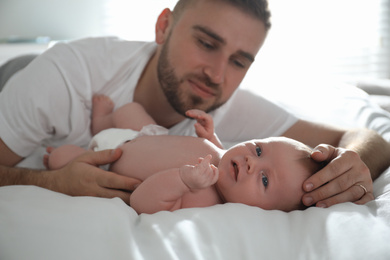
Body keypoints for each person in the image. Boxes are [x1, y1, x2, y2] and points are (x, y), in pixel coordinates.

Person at [1, 0, 389, 208]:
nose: (217, 75)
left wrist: (348, 166)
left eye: (239, 61)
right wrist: (52, 182)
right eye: (206, 43)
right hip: (19, 75)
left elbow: (370, 139)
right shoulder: (68, 74)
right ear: (163, 27)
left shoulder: (229, 108)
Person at [45, 95, 323, 213]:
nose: (252, 161)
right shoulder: (227, 163)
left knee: (61, 159)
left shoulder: (204, 197)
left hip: (106, 164)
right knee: (128, 109)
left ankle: (73, 149)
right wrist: (211, 137)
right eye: (260, 149)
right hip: (144, 135)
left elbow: (143, 202)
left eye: (264, 180)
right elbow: (224, 152)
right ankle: (103, 123)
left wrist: (183, 181)